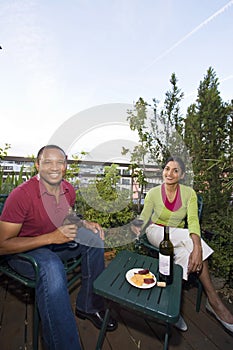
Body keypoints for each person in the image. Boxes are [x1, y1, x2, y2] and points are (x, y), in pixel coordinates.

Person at [0, 145, 117, 350]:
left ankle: (89, 306)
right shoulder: (21, 195)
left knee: (94, 238)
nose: (54, 167)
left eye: (59, 162)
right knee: (52, 266)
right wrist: (51, 238)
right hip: (24, 251)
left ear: (66, 165)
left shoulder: (68, 189)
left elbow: (66, 216)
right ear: (37, 165)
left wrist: (83, 224)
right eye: (47, 162)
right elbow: (2, 245)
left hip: (53, 242)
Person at [131, 156, 233, 334]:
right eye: (167, 169)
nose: (169, 173)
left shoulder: (189, 194)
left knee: (186, 254)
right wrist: (136, 224)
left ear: (182, 174)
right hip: (157, 231)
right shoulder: (154, 193)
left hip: (178, 237)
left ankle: (171, 308)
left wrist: (195, 248)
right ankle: (215, 301)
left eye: (175, 170)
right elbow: (145, 215)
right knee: (191, 241)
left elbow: (193, 220)